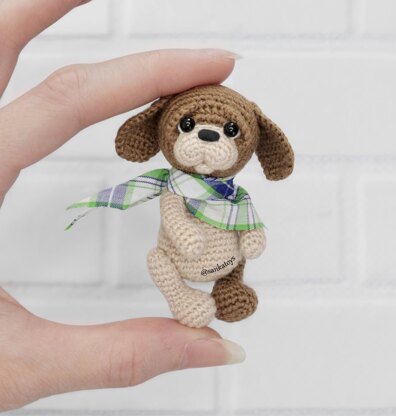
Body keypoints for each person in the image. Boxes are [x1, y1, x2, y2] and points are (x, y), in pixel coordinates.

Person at [0, 0, 244, 411]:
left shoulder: (232, 194)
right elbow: (173, 214)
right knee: (157, 260)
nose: (205, 138)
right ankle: (182, 296)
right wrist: (184, 232)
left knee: (240, 253)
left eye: (230, 130)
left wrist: (251, 237)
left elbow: (246, 221)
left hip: (224, 259)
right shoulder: (175, 190)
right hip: (182, 258)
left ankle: (233, 285)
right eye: (188, 125)